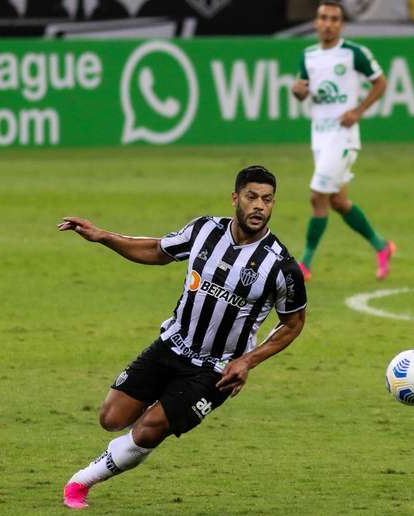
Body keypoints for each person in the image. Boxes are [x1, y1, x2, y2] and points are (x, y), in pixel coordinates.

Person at [58, 165, 307, 509]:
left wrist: (247, 361)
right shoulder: (204, 230)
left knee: (148, 429)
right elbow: (156, 251)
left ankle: (80, 483)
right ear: (235, 198)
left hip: (216, 371)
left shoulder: (281, 266)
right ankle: (160, 407)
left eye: (267, 200)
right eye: (251, 197)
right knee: (110, 418)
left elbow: (292, 324)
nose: (259, 206)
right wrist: (104, 236)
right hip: (172, 344)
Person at [291, 0, 394, 282]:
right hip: (320, 134)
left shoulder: (353, 53)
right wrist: (297, 90)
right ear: (316, 22)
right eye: (323, 17)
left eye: (334, 19)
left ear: (341, 24)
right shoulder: (308, 56)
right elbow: (304, 91)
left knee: (317, 196)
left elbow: (380, 81)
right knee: (337, 201)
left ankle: (305, 265)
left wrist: (358, 111)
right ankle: (382, 247)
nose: (328, 23)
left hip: (343, 136)